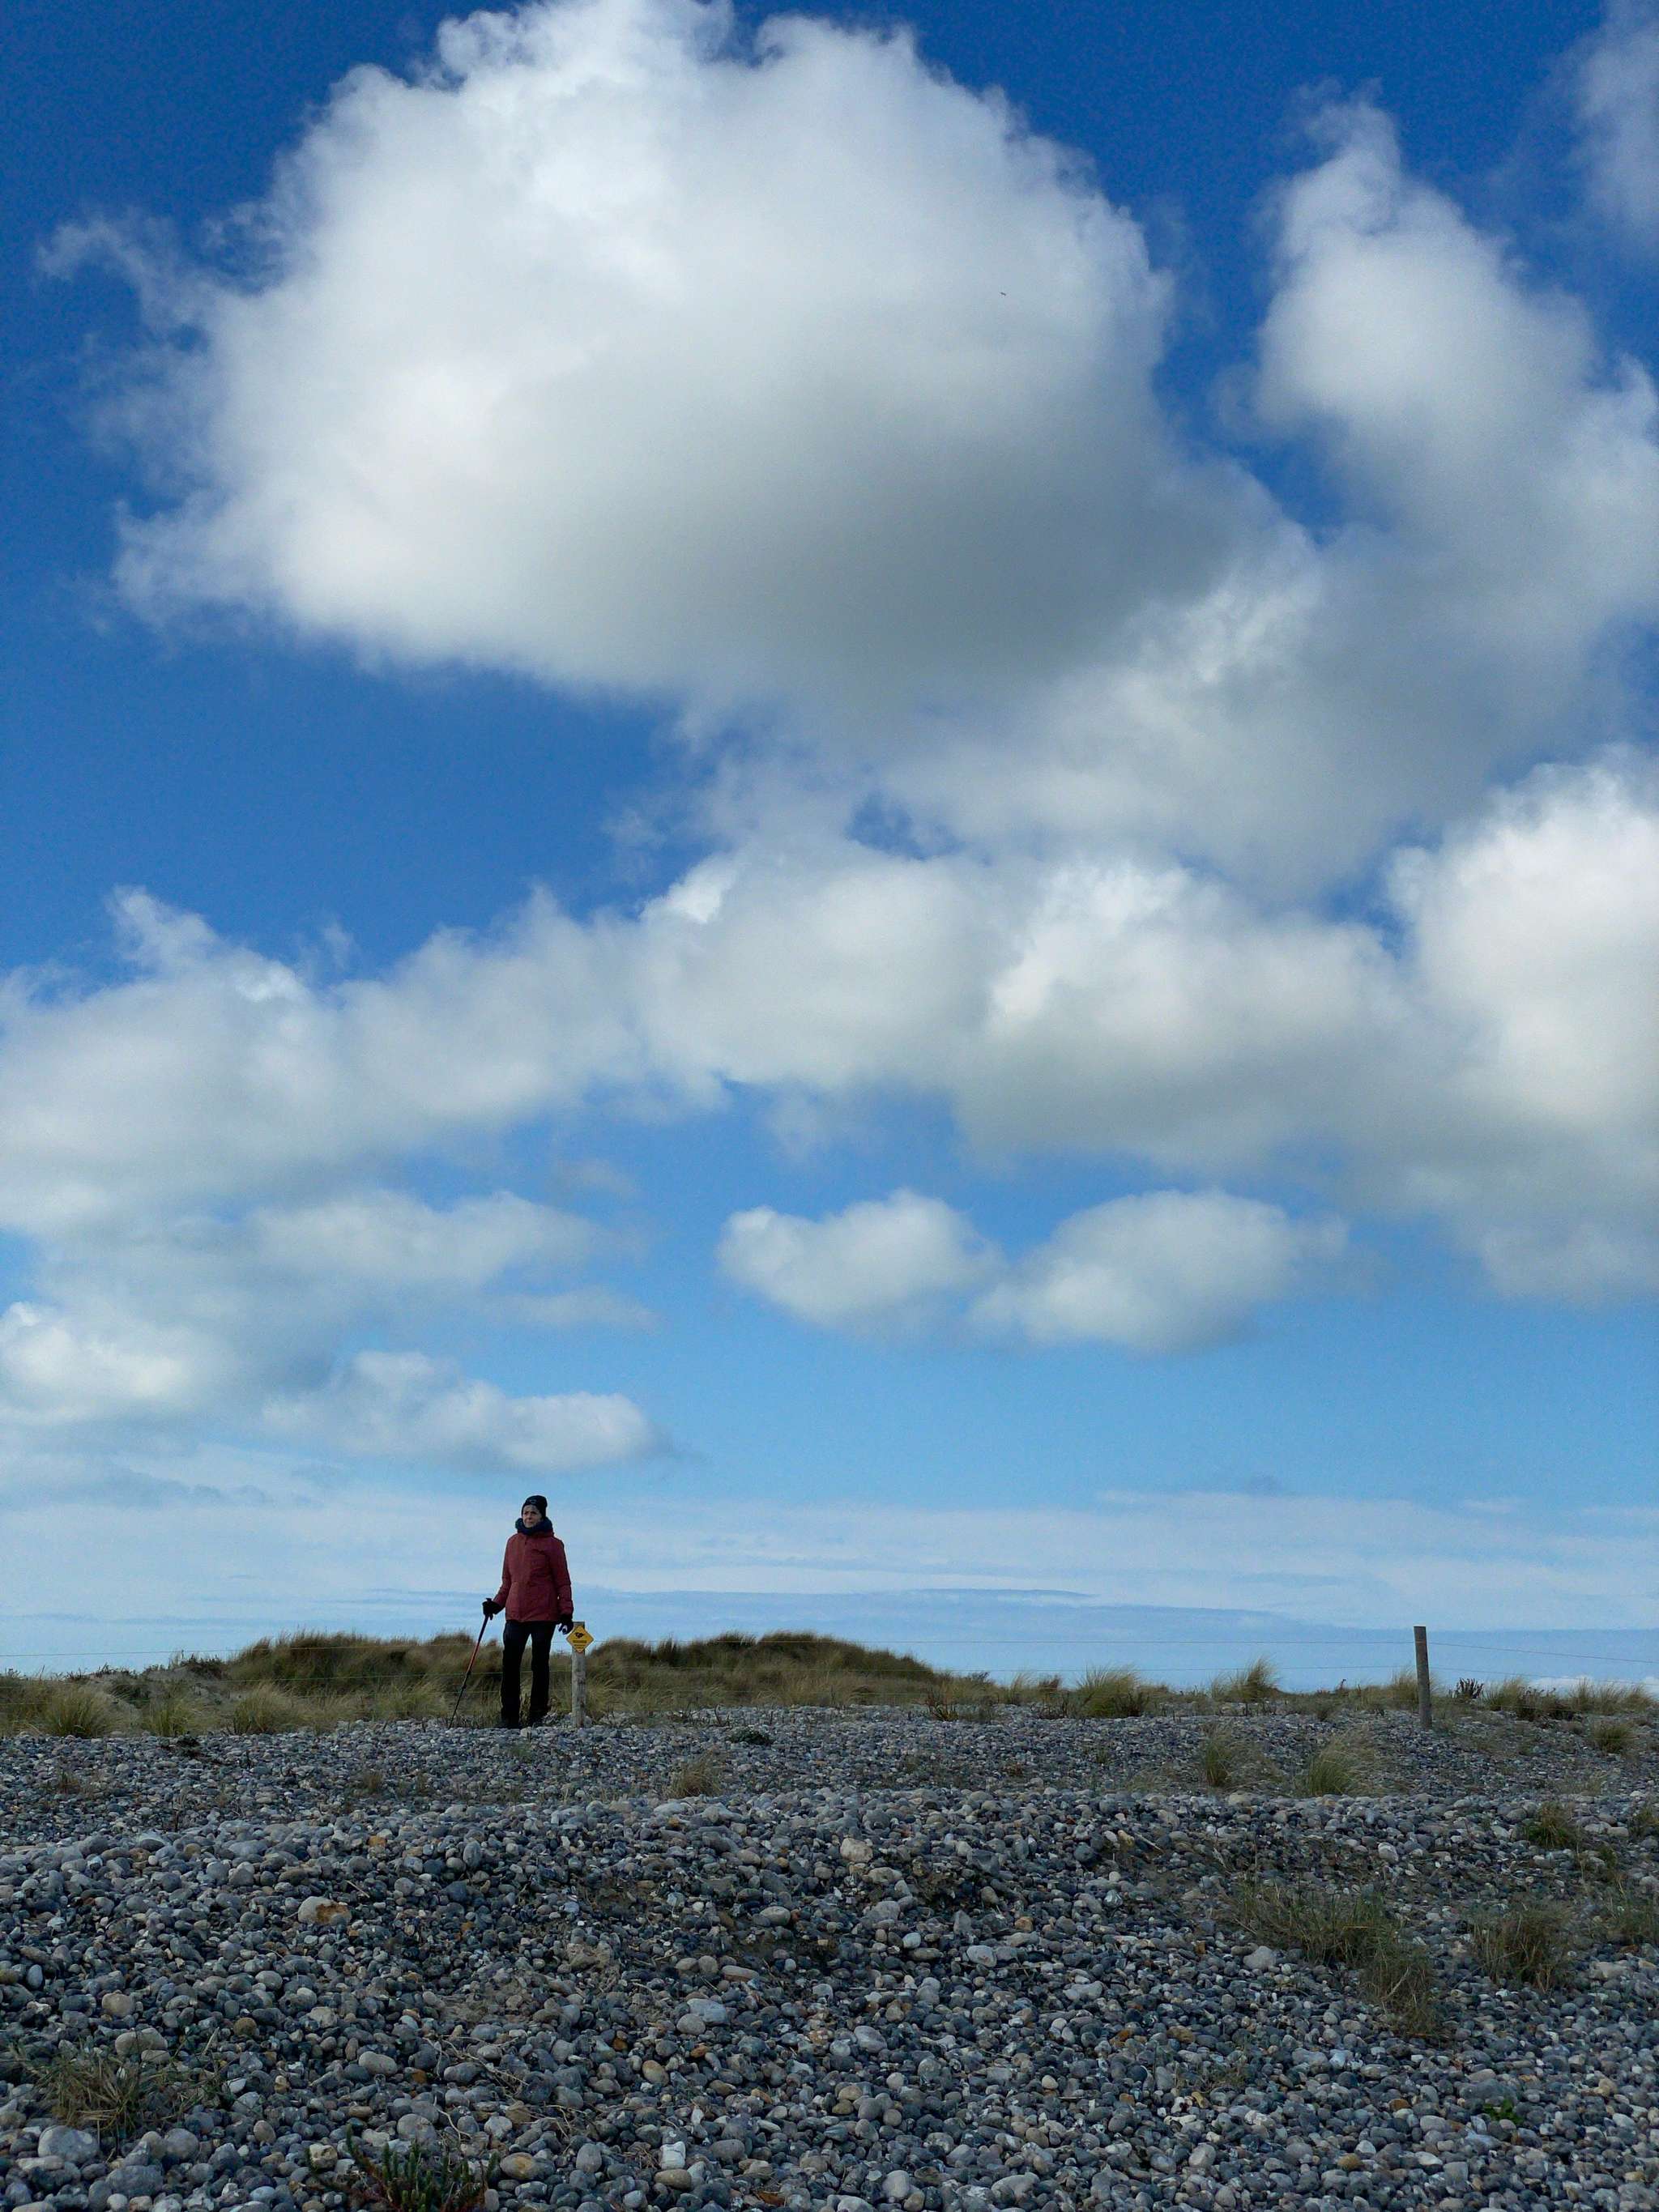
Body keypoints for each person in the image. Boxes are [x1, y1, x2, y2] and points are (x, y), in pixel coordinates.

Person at [483, 1495, 573, 1728]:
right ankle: (509, 1717)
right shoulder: (512, 1543)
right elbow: (507, 1581)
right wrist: (496, 1605)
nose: (528, 1517)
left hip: (544, 1615)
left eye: (533, 1513)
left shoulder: (553, 1545)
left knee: (539, 1665)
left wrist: (566, 1612)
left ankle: (537, 1716)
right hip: (515, 1614)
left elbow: (563, 1581)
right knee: (510, 1666)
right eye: (525, 1512)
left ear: (542, 1516)